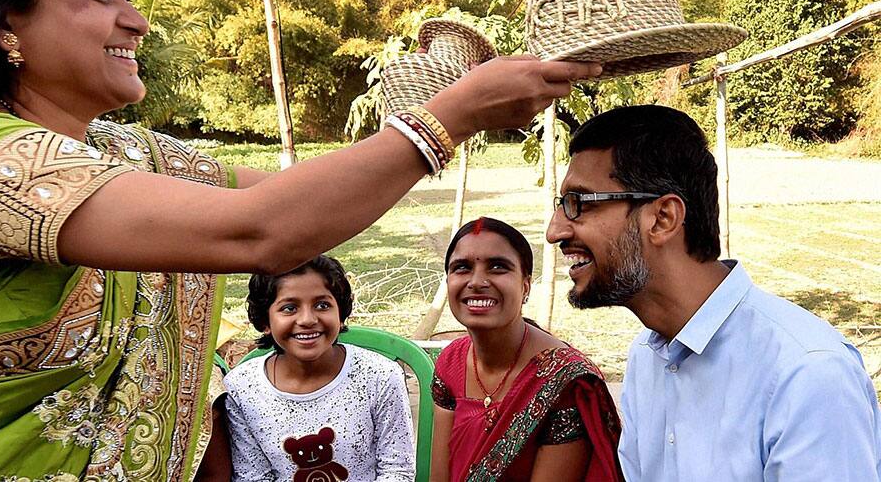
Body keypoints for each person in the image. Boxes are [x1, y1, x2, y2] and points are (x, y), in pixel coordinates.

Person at [0, 0, 601, 481]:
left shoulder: (113, 152)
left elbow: (300, 201)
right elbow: (263, 231)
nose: (136, 20)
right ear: (4, 19)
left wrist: (447, 105)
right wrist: (453, 115)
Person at [546, 105, 881, 481]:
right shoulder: (647, 356)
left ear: (663, 218)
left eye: (578, 204)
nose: (555, 230)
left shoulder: (806, 372)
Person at [429, 217, 622, 482]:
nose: (476, 281)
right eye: (461, 268)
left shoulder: (565, 382)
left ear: (526, 286)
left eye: (497, 267)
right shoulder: (450, 361)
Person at [224, 255, 415, 481]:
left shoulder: (380, 376)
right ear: (265, 321)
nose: (307, 319)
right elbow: (253, 477)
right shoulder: (241, 389)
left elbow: (397, 471)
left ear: (341, 313)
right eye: (289, 308)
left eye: (322, 305)